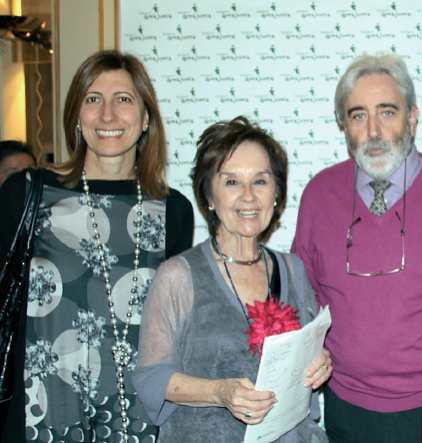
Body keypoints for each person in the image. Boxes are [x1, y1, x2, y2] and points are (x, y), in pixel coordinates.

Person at [0, 50, 194, 442]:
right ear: (76, 116)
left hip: (137, 419)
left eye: (123, 99)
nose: (107, 115)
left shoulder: (172, 210)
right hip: (39, 416)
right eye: (93, 99)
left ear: (145, 120)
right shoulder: (27, 195)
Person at [132, 116, 331, 442]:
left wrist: (318, 365)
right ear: (209, 196)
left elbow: (307, 360)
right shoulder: (178, 277)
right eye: (232, 182)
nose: (249, 196)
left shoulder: (294, 271)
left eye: (261, 181)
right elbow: (151, 378)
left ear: (277, 194)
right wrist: (219, 392)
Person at [291, 53, 422, 442]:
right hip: (345, 407)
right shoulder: (319, 194)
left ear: (412, 118)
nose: (374, 131)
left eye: (387, 112)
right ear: (343, 126)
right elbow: (303, 295)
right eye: (358, 115)